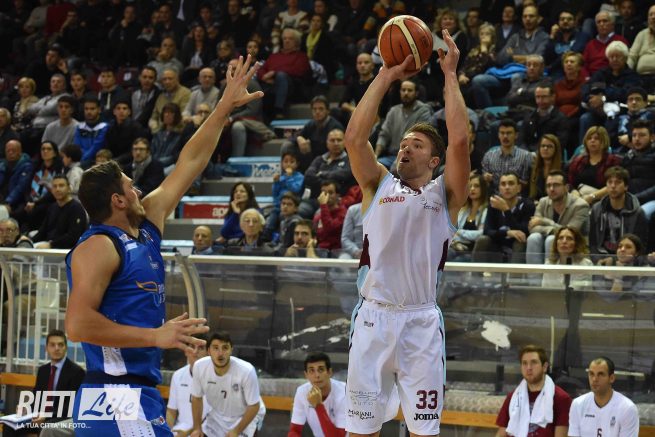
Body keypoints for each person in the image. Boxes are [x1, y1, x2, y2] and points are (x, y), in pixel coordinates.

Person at [64, 55, 262, 435]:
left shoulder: (146, 224)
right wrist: (156, 336)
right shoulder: (99, 246)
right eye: (130, 186)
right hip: (115, 393)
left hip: (138, 393)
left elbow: (190, 161)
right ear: (117, 201)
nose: (138, 190)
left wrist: (223, 107)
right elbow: (77, 325)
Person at [343, 29, 469, 437]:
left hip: (420, 323)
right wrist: (385, 75)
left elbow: (460, 143)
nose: (405, 148)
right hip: (373, 319)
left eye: (415, 145)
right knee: (360, 432)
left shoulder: (445, 196)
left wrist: (449, 75)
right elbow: (354, 139)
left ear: (433, 160)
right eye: (403, 143)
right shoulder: (377, 184)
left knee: (424, 433)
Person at [4, 329, 85, 437]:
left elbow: (71, 406)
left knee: (46, 428)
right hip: (39, 417)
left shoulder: (76, 372)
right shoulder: (43, 370)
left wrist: (46, 416)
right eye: (52, 345)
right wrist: (25, 408)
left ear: (66, 348)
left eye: (60, 345)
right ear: (46, 348)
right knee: (9, 425)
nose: (57, 348)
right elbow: (36, 397)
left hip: (59, 418)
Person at [190, 331, 266, 437]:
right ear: (208, 351)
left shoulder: (247, 370)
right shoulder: (199, 367)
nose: (220, 353)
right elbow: (196, 398)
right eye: (215, 348)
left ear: (231, 350)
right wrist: (197, 428)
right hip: (217, 416)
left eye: (225, 348)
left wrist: (236, 431)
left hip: (246, 415)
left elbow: (254, 406)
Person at [495, 345, 572, 437]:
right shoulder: (513, 397)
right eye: (524, 363)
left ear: (545, 367)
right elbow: (501, 433)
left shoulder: (561, 398)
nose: (528, 368)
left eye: (533, 362)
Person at [527, 170, 590, 265]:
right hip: (548, 244)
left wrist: (545, 221)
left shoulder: (580, 205)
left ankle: (552, 273)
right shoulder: (543, 202)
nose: (551, 189)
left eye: (556, 185)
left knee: (552, 239)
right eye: (548, 185)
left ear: (566, 188)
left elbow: (570, 233)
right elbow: (533, 228)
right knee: (533, 238)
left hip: (576, 248)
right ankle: (533, 275)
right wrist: (551, 230)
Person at [473, 172, 535, 264]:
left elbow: (524, 232)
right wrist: (507, 232)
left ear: (519, 188)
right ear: (499, 188)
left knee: (519, 242)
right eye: (503, 184)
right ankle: (476, 272)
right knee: (483, 239)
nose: (507, 187)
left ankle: (514, 273)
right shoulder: (493, 205)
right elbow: (487, 230)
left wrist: (506, 210)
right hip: (498, 244)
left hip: (517, 245)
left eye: (511, 183)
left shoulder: (528, 205)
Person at [569, 357, 639, 436]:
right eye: (591, 374)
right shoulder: (577, 404)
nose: (594, 379)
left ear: (611, 378)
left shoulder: (627, 408)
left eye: (600, 374)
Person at [589, 166, 648, 259]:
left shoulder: (638, 213)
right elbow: (593, 243)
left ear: (626, 187)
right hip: (601, 260)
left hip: (627, 261)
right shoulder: (596, 209)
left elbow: (640, 247)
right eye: (610, 182)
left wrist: (616, 261)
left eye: (618, 182)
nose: (613, 186)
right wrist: (598, 260)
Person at [375, 80, 432, 169]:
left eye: (409, 90)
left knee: (395, 168)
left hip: (412, 157)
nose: (406, 93)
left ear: (416, 93)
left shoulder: (423, 111)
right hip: (392, 156)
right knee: (374, 166)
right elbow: (384, 135)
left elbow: (418, 138)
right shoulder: (394, 111)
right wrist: (375, 156)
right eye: (403, 90)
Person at [289, 352, 346, 437]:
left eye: (321, 369)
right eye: (312, 371)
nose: (317, 375)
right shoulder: (302, 392)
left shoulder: (344, 392)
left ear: (329, 372)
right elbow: (294, 430)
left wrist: (318, 406)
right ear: (306, 375)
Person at [166, 335, 211, 436]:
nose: (195, 352)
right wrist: (167, 432)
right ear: (186, 351)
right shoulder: (177, 375)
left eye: (200, 348)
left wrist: (188, 433)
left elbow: (212, 417)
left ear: (208, 353)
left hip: (206, 431)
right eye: (192, 347)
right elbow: (171, 411)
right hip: (180, 430)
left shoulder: (216, 378)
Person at [568, 126, 621, 206]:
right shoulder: (578, 161)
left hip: (603, 200)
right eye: (589, 138)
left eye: (597, 138)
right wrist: (574, 193)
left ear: (604, 141)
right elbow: (570, 183)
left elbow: (614, 184)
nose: (592, 141)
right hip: (579, 198)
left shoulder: (613, 161)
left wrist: (592, 197)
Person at [31, 175, 88, 249]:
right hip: (49, 247)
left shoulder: (76, 208)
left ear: (69, 189)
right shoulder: (52, 207)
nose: (57, 189)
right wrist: (29, 241)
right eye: (54, 186)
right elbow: (42, 232)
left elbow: (73, 236)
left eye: (61, 186)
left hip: (68, 250)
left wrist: (51, 245)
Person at [481, 119, 532, 193]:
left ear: (516, 135)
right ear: (498, 135)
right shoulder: (489, 156)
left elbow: (527, 183)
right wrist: (485, 178)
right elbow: (484, 182)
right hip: (494, 195)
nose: (505, 136)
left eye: (509, 133)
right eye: (502, 133)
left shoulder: (525, 156)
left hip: (518, 196)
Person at [520, 82, 570, 152]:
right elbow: (521, 140)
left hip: (549, 154)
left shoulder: (561, 119)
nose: (540, 100)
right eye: (538, 97)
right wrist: (526, 153)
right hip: (528, 155)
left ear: (553, 97)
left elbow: (560, 143)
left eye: (544, 97)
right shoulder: (529, 117)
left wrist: (538, 154)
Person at [449, 173, 488, 262]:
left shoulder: (486, 210)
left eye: (476, 186)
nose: (472, 189)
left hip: (472, 250)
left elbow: (481, 234)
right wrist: (456, 243)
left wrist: (460, 232)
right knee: (444, 255)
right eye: (470, 186)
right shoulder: (463, 210)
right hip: (457, 246)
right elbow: (451, 232)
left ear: (483, 189)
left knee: (458, 261)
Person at [74, 97, 109, 166]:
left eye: (92, 109)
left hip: (97, 161)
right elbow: (77, 147)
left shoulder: (104, 127)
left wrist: (82, 161)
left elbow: (96, 147)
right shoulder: (79, 127)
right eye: (86, 109)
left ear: (99, 110)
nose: (89, 112)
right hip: (81, 160)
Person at [313, 180, 346, 252]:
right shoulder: (318, 214)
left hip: (337, 252)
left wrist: (323, 205)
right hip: (321, 250)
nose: (327, 196)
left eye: (330, 193)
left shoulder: (343, 213)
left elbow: (330, 228)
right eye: (324, 193)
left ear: (337, 195)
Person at [529, 135, 563, 201]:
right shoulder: (533, 168)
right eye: (543, 146)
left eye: (549, 146)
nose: (545, 148)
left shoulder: (563, 168)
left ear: (556, 149)